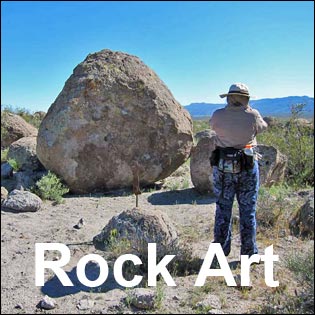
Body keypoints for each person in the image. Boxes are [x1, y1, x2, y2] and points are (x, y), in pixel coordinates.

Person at [209, 83, 268, 258]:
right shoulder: (252, 115)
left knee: (223, 208)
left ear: (228, 97)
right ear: (246, 99)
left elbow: (213, 127)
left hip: (222, 166)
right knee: (248, 210)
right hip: (247, 166)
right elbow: (263, 127)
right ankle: (249, 253)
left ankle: (220, 251)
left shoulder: (218, 115)